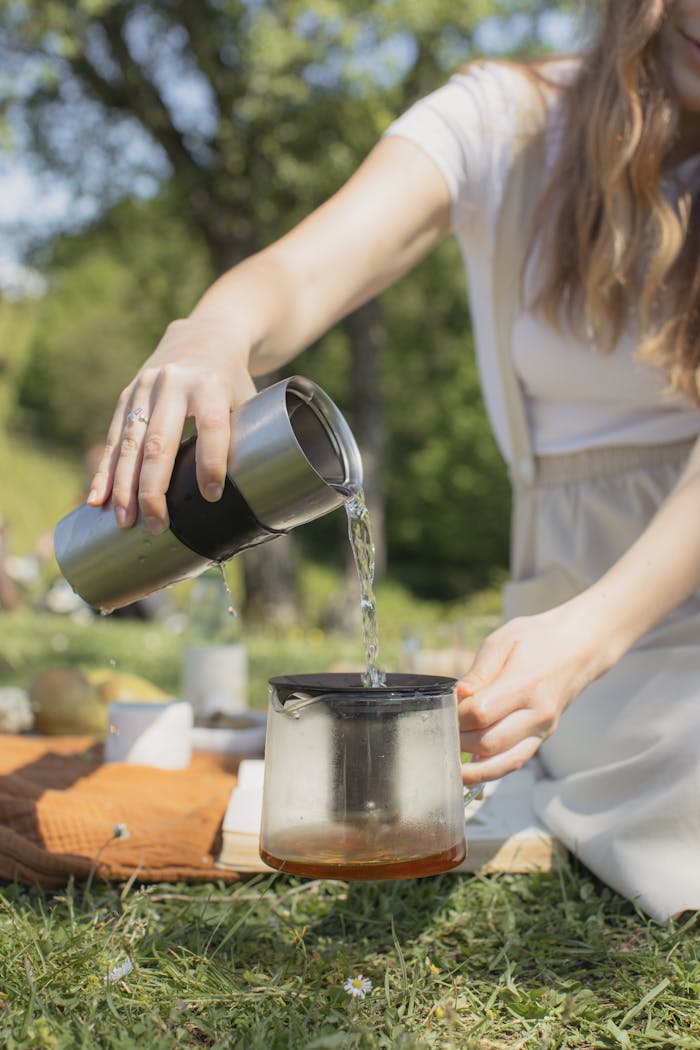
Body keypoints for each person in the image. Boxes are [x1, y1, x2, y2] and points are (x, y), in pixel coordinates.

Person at [87, 0, 700, 921]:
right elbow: (307, 271)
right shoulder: (508, 120)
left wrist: (592, 636)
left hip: (617, 613)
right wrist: (213, 327)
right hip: (576, 591)